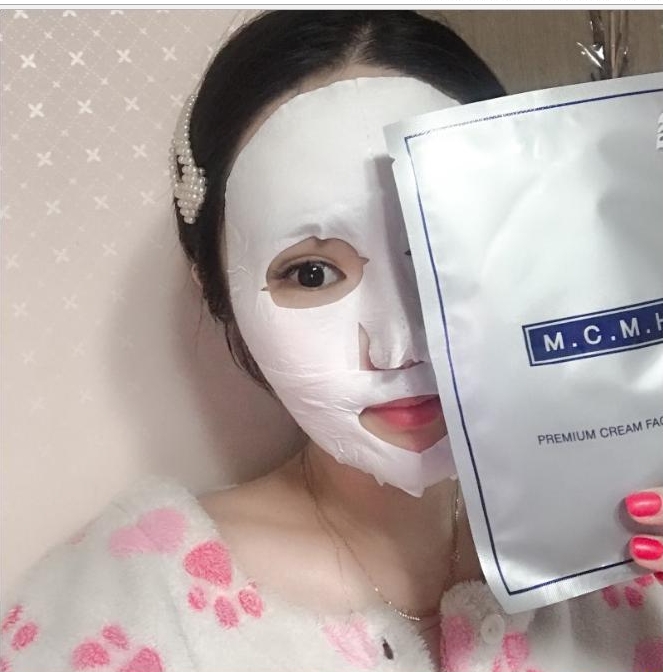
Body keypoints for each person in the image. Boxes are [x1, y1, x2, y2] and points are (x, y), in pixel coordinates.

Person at [1, 11, 661, 672]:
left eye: (441, 254)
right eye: (312, 273)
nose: (399, 347)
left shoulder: (623, 537)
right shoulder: (126, 606)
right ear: (216, 288)